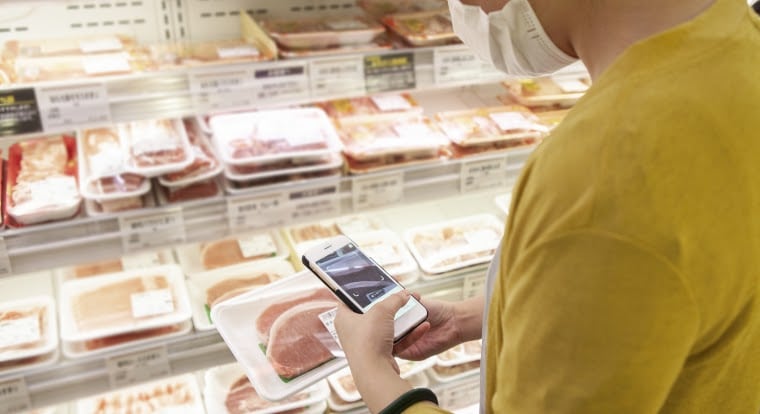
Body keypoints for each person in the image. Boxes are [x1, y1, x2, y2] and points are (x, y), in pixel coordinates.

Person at [333, 0, 760, 413]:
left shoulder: (604, 173)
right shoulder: (737, 39)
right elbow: (655, 297)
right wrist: (473, 317)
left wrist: (375, 374)